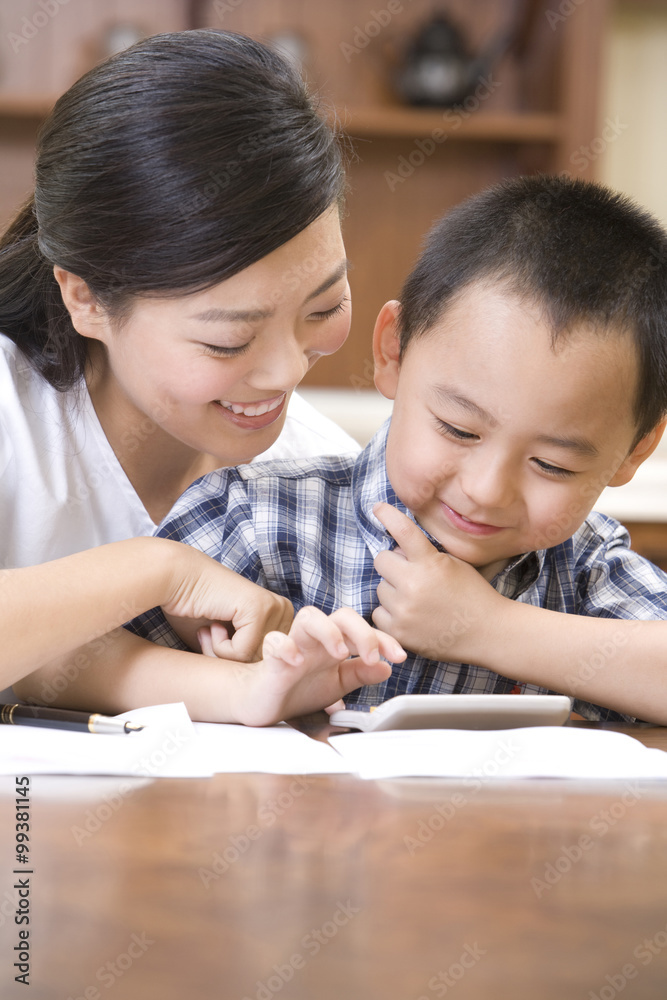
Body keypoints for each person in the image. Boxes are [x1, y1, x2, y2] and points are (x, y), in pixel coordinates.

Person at [101, 173, 667, 725]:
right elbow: (70, 664)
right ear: (393, 352)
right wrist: (237, 687)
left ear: (634, 452)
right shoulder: (253, 520)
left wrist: (491, 628)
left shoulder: (586, 568)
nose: (487, 490)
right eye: (458, 429)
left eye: (552, 465)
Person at [0, 28, 402, 706]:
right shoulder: (13, 416)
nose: (284, 373)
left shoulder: (317, 472)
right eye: (228, 341)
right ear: (87, 299)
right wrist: (159, 570)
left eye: (323, 306)